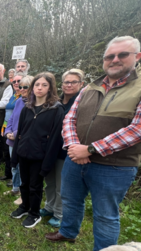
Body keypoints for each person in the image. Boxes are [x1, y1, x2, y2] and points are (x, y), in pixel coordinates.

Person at [45, 36, 141, 251]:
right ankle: (68, 232)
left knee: (106, 215)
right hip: (76, 159)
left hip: (114, 166)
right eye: (110, 56)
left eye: (122, 55)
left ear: (137, 56)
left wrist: (90, 149)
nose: (115, 59)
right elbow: (70, 119)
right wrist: (75, 148)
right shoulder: (91, 87)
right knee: (70, 201)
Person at [10, 72, 64, 228]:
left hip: (39, 156)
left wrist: (47, 163)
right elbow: (20, 132)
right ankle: (24, 207)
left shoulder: (56, 110)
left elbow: (55, 139)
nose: (39, 88)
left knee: (35, 186)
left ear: (50, 88)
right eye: (37, 85)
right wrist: (15, 156)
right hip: (23, 152)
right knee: (24, 183)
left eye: (44, 85)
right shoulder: (28, 107)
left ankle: (34, 213)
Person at [40, 69, 85, 228]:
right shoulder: (56, 101)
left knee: (61, 185)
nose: (69, 85)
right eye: (66, 82)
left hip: (65, 151)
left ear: (81, 84)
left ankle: (59, 214)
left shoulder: (81, 103)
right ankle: (49, 207)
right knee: (49, 180)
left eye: (73, 82)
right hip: (50, 147)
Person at [5, 75, 34, 205]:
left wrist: (16, 133)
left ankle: (24, 194)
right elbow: (11, 119)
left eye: (25, 87)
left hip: (23, 140)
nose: (22, 89)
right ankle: (15, 188)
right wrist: (7, 131)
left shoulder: (34, 104)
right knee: (14, 165)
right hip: (12, 139)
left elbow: (30, 124)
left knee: (23, 169)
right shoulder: (18, 101)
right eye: (20, 87)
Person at [0, 72, 25, 183]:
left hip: (18, 132)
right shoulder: (13, 96)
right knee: (7, 153)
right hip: (7, 127)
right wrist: (5, 129)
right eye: (14, 81)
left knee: (17, 158)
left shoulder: (24, 99)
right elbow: (9, 114)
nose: (16, 83)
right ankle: (9, 175)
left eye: (19, 81)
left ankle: (17, 183)